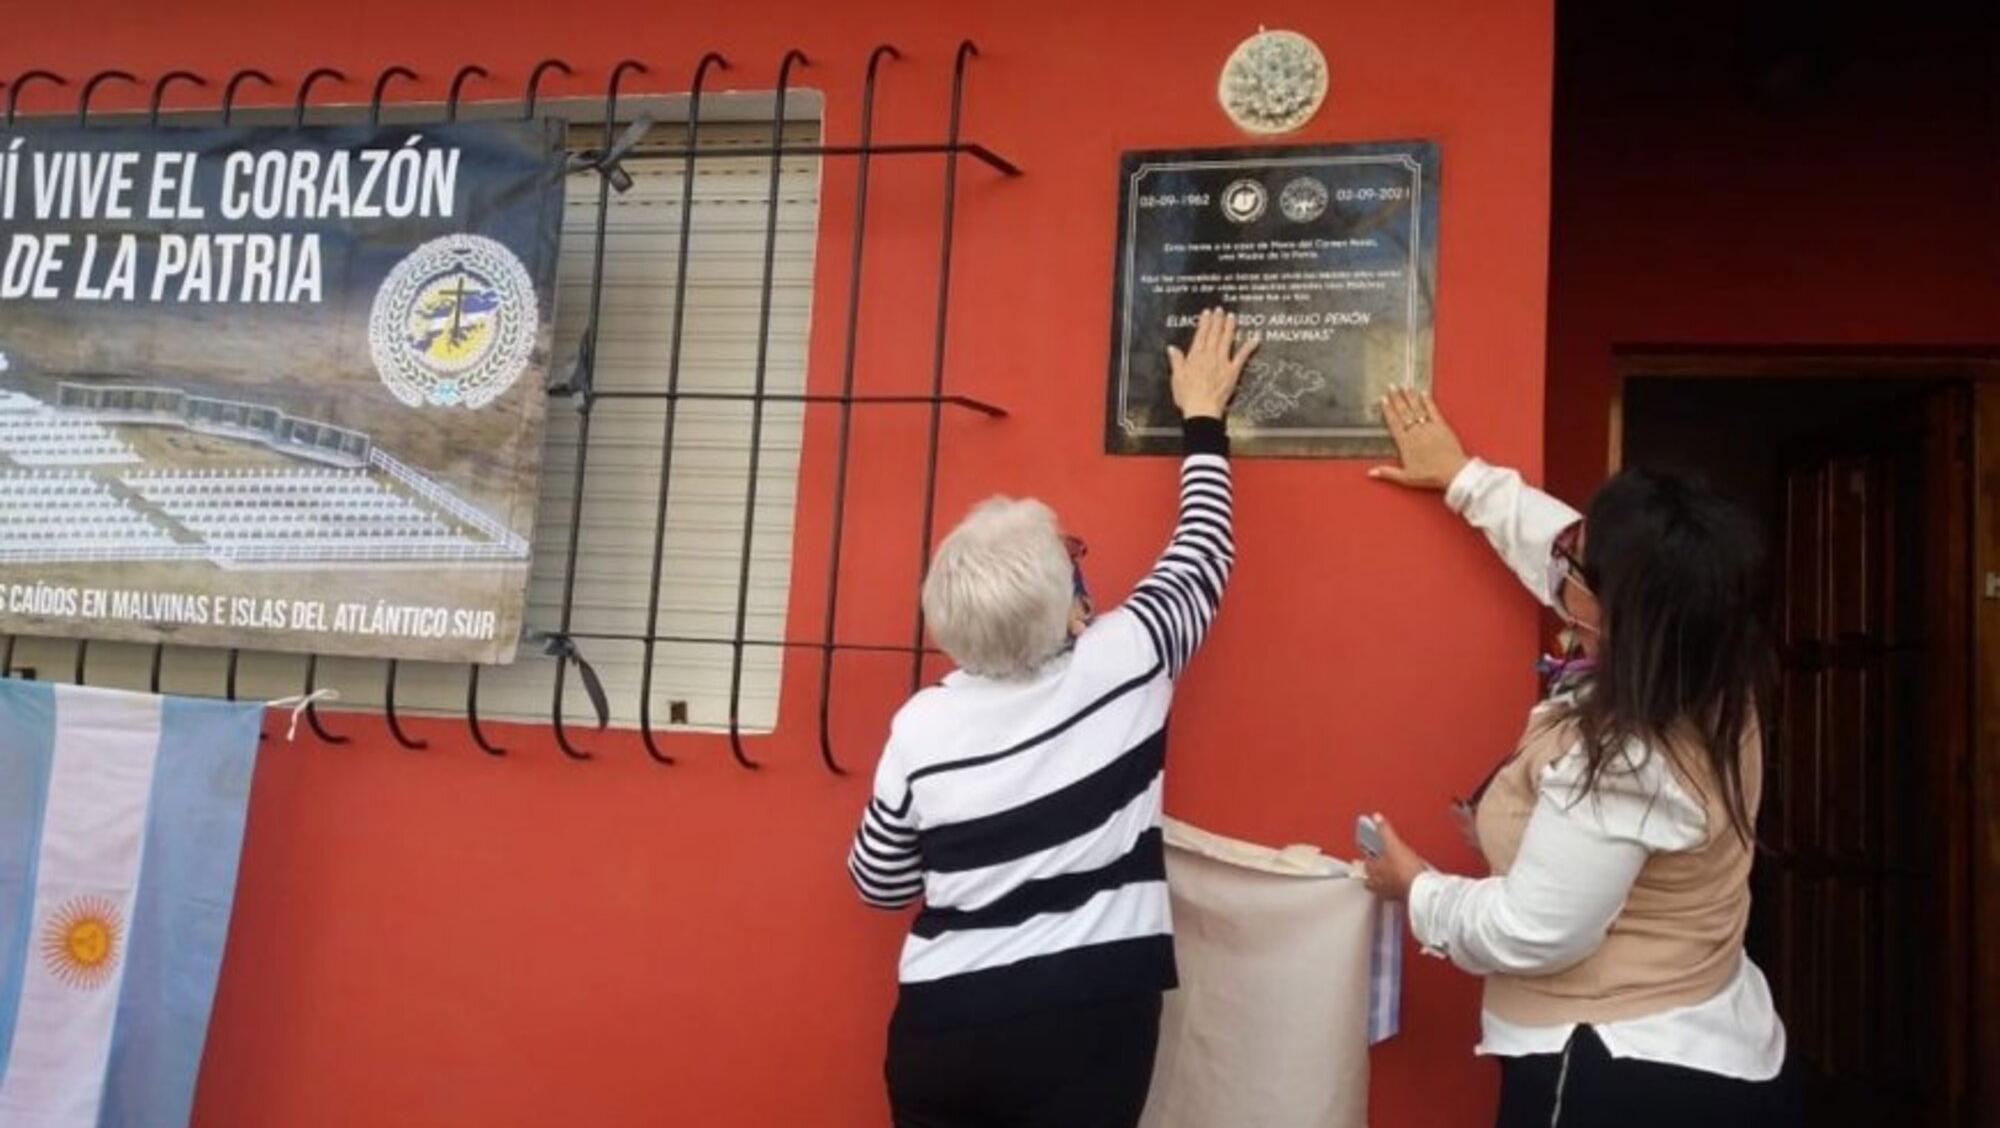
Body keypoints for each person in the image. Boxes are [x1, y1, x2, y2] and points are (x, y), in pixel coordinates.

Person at [846, 309, 1258, 1128]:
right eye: (1072, 559)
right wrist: (1203, 416)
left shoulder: (921, 728)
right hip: (1087, 1021)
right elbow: (1204, 550)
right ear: (1073, 615)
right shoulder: (1125, 659)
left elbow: (876, 881)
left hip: (941, 1030)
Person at [1359, 387, 1800, 1127]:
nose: (1561, 560)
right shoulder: (1706, 667)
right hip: (1711, 1041)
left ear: (1619, 609)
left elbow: (1533, 932)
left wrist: (1417, 889)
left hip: (1619, 1076)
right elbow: (1558, 546)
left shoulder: (1630, 757)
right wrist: (1465, 478)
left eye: (1579, 565)